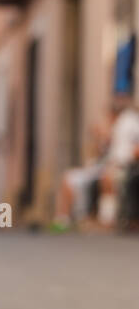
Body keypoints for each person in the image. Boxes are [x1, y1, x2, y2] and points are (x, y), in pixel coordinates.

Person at [54, 95, 139, 229]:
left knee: (107, 178)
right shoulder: (116, 128)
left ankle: (106, 221)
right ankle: (63, 220)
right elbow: (102, 153)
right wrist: (100, 138)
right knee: (68, 178)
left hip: (122, 167)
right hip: (102, 167)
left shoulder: (128, 123)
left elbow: (131, 151)